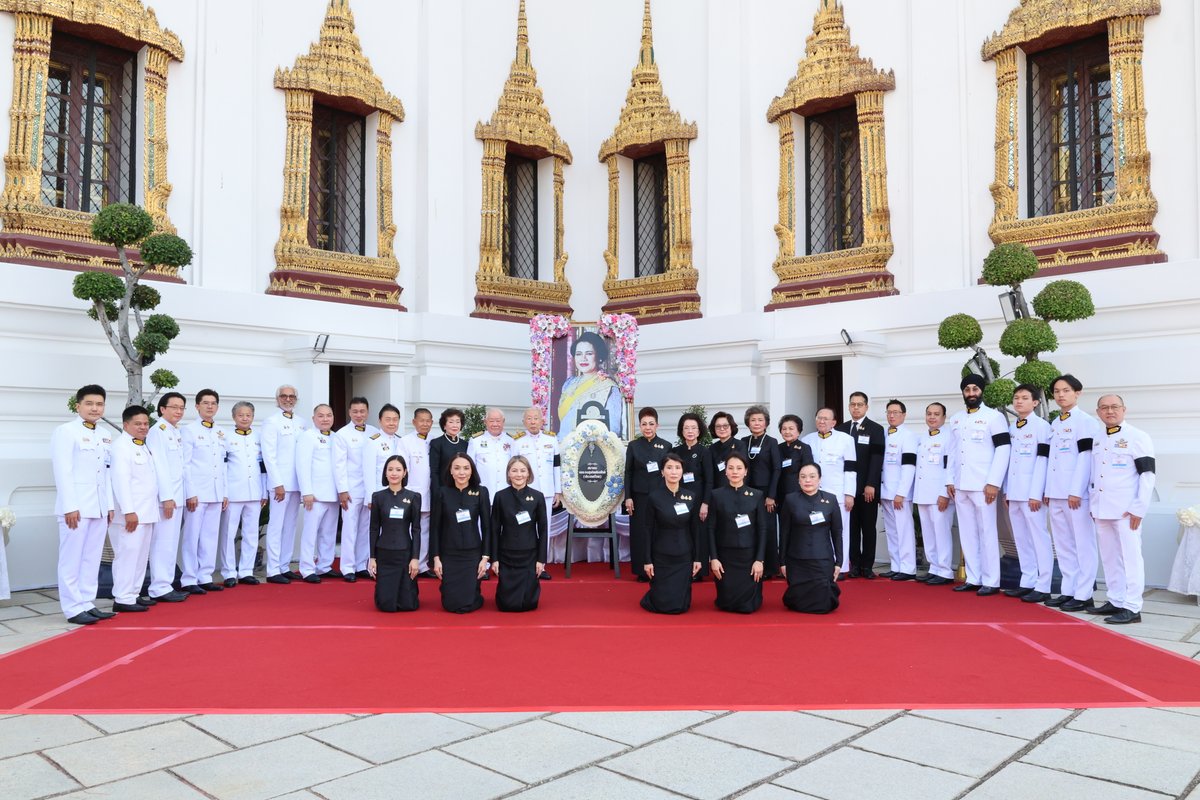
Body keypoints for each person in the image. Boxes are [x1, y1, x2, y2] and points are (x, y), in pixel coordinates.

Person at [1087, 395, 1156, 625]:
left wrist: (1139, 508)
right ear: (1098, 412)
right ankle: (1115, 599)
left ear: (1124, 410)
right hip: (1101, 508)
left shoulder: (1137, 437)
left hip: (1127, 511)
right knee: (1109, 557)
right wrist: (1091, 503)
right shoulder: (1097, 439)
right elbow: (1093, 474)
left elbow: (1147, 475)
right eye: (1104, 408)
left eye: (1114, 407)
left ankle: (1133, 606)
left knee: (1131, 558)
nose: (1110, 411)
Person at [51, 384, 115, 624]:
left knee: (91, 557)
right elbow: (62, 471)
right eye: (89, 403)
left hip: (98, 507)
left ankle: (87, 602)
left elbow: (106, 472)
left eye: (99, 404)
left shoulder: (105, 434)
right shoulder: (66, 431)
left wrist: (108, 505)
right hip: (75, 508)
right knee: (71, 559)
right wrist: (69, 506)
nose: (94, 408)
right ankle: (72, 607)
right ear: (78, 406)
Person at [945, 375, 1011, 596]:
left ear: (981, 391)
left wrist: (993, 482)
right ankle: (974, 577)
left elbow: (1003, 449)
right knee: (967, 532)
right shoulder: (955, 419)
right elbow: (952, 453)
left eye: (975, 389)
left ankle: (991, 580)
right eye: (967, 390)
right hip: (961, 485)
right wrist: (949, 480)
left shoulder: (994, 417)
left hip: (984, 485)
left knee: (987, 531)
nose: (971, 393)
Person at [1043, 374, 1101, 611]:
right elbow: (1052, 461)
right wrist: (1047, 489)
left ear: (1077, 393)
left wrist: (1076, 490)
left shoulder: (1085, 422)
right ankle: (1069, 590)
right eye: (1056, 391)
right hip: (1056, 493)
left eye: (1065, 390)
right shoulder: (1055, 423)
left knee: (1083, 544)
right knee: (1063, 544)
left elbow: (1085, 458)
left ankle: (1084, 593)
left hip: (1075, 495)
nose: (1060, 395)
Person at [108, 406, 160, 613]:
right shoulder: (120, 447)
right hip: (130, 514)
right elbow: (121, 481)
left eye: (146, 423)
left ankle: (133, 594)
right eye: (138, 424)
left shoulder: (141, 446)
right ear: (126, 425)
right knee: (127, 555)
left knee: (140, 556)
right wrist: (129, 511)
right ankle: (122, 596)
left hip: (146, 512)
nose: (143, 427)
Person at [1005, 385, 1053, 602]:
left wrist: (1036, 493)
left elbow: (1043, 461)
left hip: (1031, 494)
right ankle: (1027, 581)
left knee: (1038, 538)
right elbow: (1009, 462)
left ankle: (1043, 585)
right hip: (1014, 492)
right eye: (1016, 398)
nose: (1019, 401)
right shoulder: (1012, 427)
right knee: (1021, 539)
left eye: (1025, 398)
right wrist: (1007, 490)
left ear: (1035, 402)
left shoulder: (1042, 427)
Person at [180, 389, 229, 594]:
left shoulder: (221, 431)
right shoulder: (188, 430)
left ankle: (205, 575)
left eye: (213, 403)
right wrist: (190, 492)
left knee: (209, 536)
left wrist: (224, 492)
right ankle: (189, 578)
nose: (210, 406)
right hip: (197, 493)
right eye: (205, 403)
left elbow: (223, 464)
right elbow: (185, 464)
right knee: (192, 536)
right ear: (197, 406)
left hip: (216, 493)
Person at [640, 453, 702, 614]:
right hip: (662, 554)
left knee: (680, 607)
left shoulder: (691, 497)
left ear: (682, 471)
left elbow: (695, 528)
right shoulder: (654, 497)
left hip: (684, 554)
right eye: (669, 468)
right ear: (662, 472)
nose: (673, 472)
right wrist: (647, 560)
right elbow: (647, 530)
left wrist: (697, 558)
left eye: (677, 468)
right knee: (661, 604)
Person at [707, 453, 767, 613]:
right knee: (726, 603)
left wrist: (759, 560)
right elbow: (711, 528)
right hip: (725, 556)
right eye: (731, 468)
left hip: (749, 556)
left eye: (739, 468)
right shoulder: (716, 495)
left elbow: (762, 528)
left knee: (748, 606)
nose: (735, 472)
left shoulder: (756, 495)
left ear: (746, 471)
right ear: (725, 471)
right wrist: (714, 558)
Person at [430, 453, 491, 613]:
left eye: (466, 468)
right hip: (449, 554)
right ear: (450, 471)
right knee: (450, 604)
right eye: (457, 468)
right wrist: (436, 558)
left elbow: (487, 527)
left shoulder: (481, 492)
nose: (461, 472)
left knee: (469, 604)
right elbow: (435, 527)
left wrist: (485, 558)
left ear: (472, 471)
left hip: (472, 554)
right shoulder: (442, 493)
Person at [261, 385, 309, 584]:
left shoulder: (302, 422)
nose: (288, 399)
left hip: (297, 483)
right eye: (284, 396)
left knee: (290, 525)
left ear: (296, 399)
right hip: (281, 484)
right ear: (277, 398)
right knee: (276, 525)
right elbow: (269, 455)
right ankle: (273, 570)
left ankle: (284, 565)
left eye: (291, 396)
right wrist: (277, 483)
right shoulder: (271, 422)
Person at [780, 463, 843, 613]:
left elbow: (837, 532)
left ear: (819, 479)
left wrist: (839, 562)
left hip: (822, 559)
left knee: (824, 604)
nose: (807, 480)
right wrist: (782, 561)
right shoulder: (790, 500)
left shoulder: (831, 500)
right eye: (803, 477)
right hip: (797, 559)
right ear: (798, 480)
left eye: (812, 476)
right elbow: (784, 533)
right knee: (797, 602)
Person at [801, 409, 856, 578]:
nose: (822, 421)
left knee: (841, 531)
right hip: (813, 494)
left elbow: (851, 469)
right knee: (817, 530)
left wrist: (849, 493)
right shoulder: (807, 440)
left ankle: (842, 567)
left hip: (838, 493)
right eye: (819, 418)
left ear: (834, 422)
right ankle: (820, 565)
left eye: (826, 419)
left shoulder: (846, 440)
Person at [145, 392, 189, 602]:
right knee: (162, 542)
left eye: (182, 407)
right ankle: (159, 586)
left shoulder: (174, 431)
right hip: (167, 498)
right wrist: (167, 497)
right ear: (162, 409)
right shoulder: (158, 431)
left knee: (170, 543)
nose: (178, 411)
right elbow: (160, 467)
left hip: (177, 496)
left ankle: (166, 583)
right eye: (174, 407)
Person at [836, 392, 885, 578]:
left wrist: (871, 483)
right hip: (847, 488)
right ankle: (854, 564)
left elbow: (876, 458)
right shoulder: (840, 429)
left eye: (859, 404)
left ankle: (867, 565)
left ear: (866, 407)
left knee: (868, 527)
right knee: (851, 527)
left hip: (867, 487)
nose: (856, 408)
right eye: (852, 404)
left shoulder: (875, 429)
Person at [490, 455, 548, 612]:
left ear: (528, 473)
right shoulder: (500, 496)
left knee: (528, 604)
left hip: (529, 553)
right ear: (508, 474)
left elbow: (543, 530)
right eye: (514, 470)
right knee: (506, 605)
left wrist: (541, 559)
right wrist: (494, 558)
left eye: (523, 470)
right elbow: (494, 529)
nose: (519, 474)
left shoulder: (537, 496)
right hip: (506, 553)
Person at [220, 401, 265, 587]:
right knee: (228, 534)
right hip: (233, 492)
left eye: (248, 415)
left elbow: (263, 466)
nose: (245, 418)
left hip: (254, 492)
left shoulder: (259, 436)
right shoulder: (226, 437)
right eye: (241, 415)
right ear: (234, 417)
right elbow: (222, 467)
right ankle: (229, 572)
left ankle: (246, 570)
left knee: (251, 533)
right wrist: (223, 493)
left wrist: (264, 491)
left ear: (253, 417)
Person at [368, 455, 421, 612]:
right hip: (384, 553)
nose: (394, 473)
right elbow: (374, 528)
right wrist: (372, 558)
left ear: (405, 473)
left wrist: (415, 558)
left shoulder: (413, 497)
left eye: (398, 469)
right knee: (385, 605)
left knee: (408, 605)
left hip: (404, 553)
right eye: (390, 469)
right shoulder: (378, 497)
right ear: (385, 473)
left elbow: (416, 529)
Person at [334, 397, 378, 582]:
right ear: (350, 412)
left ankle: (362, 565)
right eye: (355, 411)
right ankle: (348, 567)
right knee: (350, 528)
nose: (359, 415)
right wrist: (342, 490)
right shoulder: (342, 434)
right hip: (351, 489)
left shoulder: (375, 432)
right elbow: (339, 465)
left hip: (371, 489)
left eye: (362, 411)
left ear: (367, 412)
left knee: (366, 528)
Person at [514, 407, 562, 575]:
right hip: (525, 492)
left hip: (547, 492)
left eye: (536, 418)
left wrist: (558, 491)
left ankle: (541, 566)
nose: (533, 421)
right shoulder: (517, 442)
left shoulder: (552, 439)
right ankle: (526, 563)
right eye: (529, 418)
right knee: (526, 527)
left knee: (544, 528)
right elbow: (513, 469)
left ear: (542, 421)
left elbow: (557, 466)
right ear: (524, 422)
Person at [624, 407, 670, 582]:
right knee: (640, 532)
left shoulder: (666, 446)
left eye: (651, 424)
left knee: (659, 532)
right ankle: (641, 570)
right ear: (639, 426)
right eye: (644, 424)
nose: (648, 427)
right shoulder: (634, 446)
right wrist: (628, 497)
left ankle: (659, 567)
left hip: (659, 496)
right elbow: (628, 472)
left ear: (657, 425)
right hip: (639, 496)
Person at [296, 404, 341, 583]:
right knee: (310, 533)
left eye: (329, 415)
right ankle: (307, 568)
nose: (325, 419)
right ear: (314, 418)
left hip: (333, 494)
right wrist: (306, 491)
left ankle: (324, 566)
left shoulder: (337, 437)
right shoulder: (308, 436)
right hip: (315, 495)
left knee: (329, 533)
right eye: (321, 416)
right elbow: (302, 465)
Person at [913, 403, 954, 586]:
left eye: (937, 414)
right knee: (929, 533)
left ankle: (945, 571)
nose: (932, 417)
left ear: (944, 417)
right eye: (929, 413)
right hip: (923, 493)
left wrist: (944, 493)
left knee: (941, 532)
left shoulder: (949, 437)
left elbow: (949, 468)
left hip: (939, 494)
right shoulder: (922, 438)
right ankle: (934, 567)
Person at [557, 331, 624, 443]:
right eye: (578, 354)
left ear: (599, 356)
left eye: (589, 353)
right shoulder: (568, 384)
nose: (583, 358)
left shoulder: (609, 387)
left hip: (592, 450)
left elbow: (613, 429)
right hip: (563, 446)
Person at [879, 400, 918, 581]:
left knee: (904, 530)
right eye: (889, 412)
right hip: (885, 491)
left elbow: (909, 466)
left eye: (895, 412)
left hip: (899, 493)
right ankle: (896, 565)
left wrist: (901, 492)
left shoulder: (908, 436)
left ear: (904, 414)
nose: (892, 415)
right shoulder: (884, 435)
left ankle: (908, 567)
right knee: (892, 531)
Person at [672, 412, 713, 578]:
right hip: (679, 499)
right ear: (681, 431)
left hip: (698, 499)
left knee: (699, 533)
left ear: (699, 431)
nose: (690, 431)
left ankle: (699, 570)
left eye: (693, 428)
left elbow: (710, 480)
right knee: (682, 533)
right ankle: (682, 567)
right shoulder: (675, 451)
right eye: (686, 428)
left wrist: (705, 503)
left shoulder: (705, 452)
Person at [775, 413, 815, 577]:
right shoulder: (778, 448)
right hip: (781, 497)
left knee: (799, 530)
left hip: (798, 497)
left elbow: (808, 473)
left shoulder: (804, 448)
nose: (787, 431)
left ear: (799, 431)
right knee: (783, 531)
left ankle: (800, 564)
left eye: (791, 428)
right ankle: (783, 564)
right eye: (784, 428)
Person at [398, 407, 434, 577]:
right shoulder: (405, 441)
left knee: (425, 531)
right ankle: (406, 563)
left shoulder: (434, 441)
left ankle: (423, 565)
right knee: (408, 530)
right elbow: (402, 470)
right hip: (411, 494)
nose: (425, 423)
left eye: (428, 420)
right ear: (414, 422)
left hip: (429, 495)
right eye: (422, 420)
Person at [468, 407, 517, 497]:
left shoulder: (511, 440)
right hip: (483, 491)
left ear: (503, 422)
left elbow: (516, 465)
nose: (495, 424)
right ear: (485, 422)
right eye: (491, 421)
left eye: (498, 421)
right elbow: (470, 466)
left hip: (506, 491)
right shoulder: (475, 440)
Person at [363, 404, 404, 505]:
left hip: (399, 493)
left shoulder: (401, 441)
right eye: (388, 419)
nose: (391, 423)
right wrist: (371, 498)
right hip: (380, 493)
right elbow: (369, 472)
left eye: (395, 420)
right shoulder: (373, 442)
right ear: (380, 421)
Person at [428, 407, 469, 503]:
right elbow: (434, 471)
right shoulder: (437, 443)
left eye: (458, 422)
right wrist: (437, 492)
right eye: (451, 422)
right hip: (443, 490)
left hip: (461, 490)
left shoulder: (465, 444)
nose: (455, 425)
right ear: (444, 425)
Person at [708, 412, 745, 491]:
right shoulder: (712, 448)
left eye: (725, 426)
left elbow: (744, 470)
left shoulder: (740, 445)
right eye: (718, 426)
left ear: (731, 427)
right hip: (717, 492)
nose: (722, 429)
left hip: (737, 490)